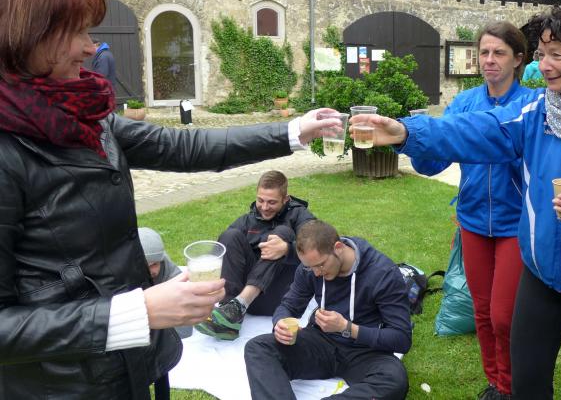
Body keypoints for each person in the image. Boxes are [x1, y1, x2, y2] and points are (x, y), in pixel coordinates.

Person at [0, 0, 340, 398]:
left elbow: (182, 147)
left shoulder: (85, 116)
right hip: (61, 386)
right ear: (25, 37)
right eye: (76, 32)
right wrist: (136, 312)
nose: (90, 47)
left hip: (125, 364)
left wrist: (291, 131)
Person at [352, 0, 561, 399]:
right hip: (541, 277)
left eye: (557, 55)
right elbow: (475, 130)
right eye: (541, 54)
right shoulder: (536, 111)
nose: (545, 66)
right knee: (526, 383)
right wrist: (406, 132)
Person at [411, 20, 531, 399]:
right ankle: (494, 383)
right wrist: (417, 141)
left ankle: (510, 386)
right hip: (474, 221)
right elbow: (433, 162)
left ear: (518, 60)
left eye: (499, 53)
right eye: (484, 52)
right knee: (481, 310)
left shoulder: (531, 105)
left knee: (503, 315)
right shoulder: (464, 104)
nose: (489, 60)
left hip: (515, 225)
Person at [244, 219, 411, 400]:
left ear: (338, 248)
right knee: (258, 348)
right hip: (321, 342)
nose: (316, 273)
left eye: (320, 265)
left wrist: (347, 328)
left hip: (365, 351)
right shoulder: (310, 268)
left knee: (394, 380)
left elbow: (401, 339)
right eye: (310, 267)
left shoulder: (383, 273)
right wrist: (280, 322)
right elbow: (289, 305)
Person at [196, 170, 316, 340]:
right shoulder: (248, 220)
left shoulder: (300, 215)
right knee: (230, 235)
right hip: (248, 300)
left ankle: (238, 306)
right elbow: (220, 252)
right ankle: (229, 316)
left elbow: (319, 249)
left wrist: (287, 249)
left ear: (286, 199)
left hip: (281, 297)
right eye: (260, 200)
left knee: (283, 233)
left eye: (272, 202)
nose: (264, 207)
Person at [138, 227, 192, 400]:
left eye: (155, 264)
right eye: (146, 266)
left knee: (162, 363)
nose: (152, 270)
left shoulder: (170, 272)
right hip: (136, 321)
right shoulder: (124, 272)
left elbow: (185, 324)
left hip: (160, 324)